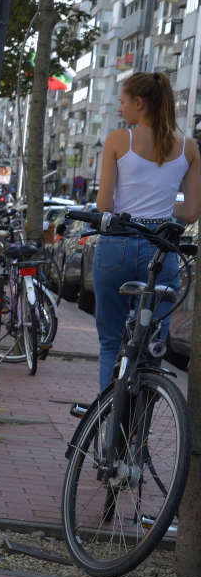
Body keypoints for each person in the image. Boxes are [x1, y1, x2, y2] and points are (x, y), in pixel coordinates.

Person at [92, 71, 200, 388]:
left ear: (139, 103)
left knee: (111, 343)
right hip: (161, 249)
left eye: (122, 102)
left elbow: (104, 204)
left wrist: (134, 212)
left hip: (117, 246)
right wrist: (163, 210)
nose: (119, 109)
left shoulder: (117, 140)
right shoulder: (189, 148)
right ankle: (140, 431)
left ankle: (108, 427)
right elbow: (192, 211)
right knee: (152, 348)